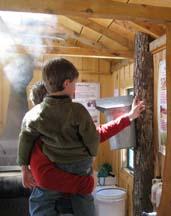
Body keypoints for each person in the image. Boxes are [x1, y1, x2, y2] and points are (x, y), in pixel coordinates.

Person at [18, 58, 145, 216]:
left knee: (40, 202)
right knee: (83, 201)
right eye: (75, 84)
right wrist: (90, 156)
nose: (75, 90)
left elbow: (24, 139)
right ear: (66, 84)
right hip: (79, 170)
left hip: (57, 175)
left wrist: (23, 167)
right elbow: (93, 138)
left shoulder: (33, 115)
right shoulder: (77, 110)